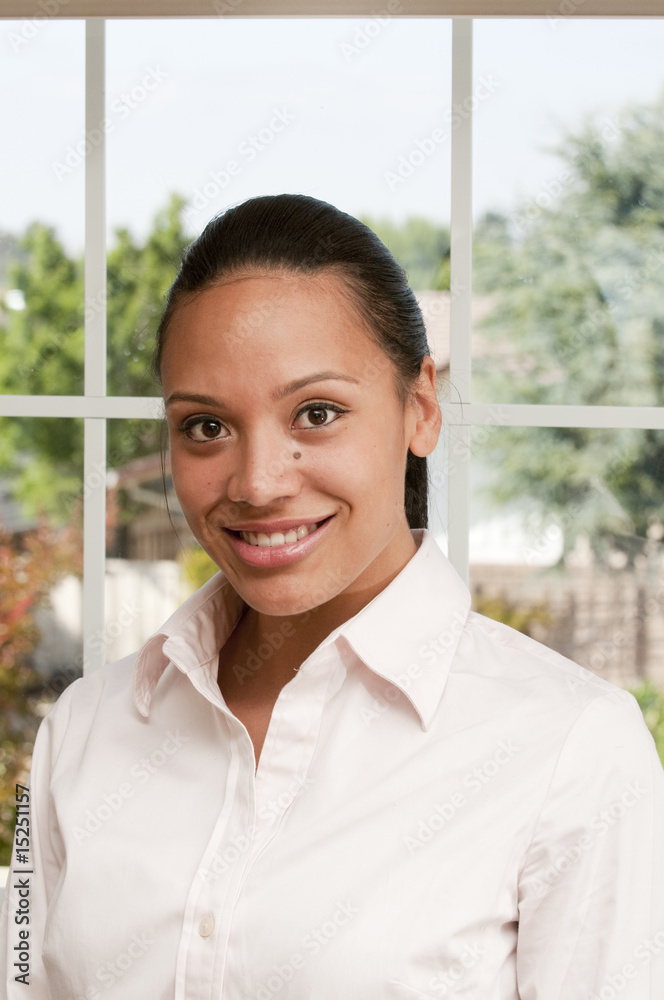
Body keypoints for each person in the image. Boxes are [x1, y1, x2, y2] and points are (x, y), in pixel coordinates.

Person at [1, 193, 663, 999]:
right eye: (206, 426)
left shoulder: (571, 747)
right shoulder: (83, 731)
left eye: (316, 413)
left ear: (419, 408)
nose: (257, 482)